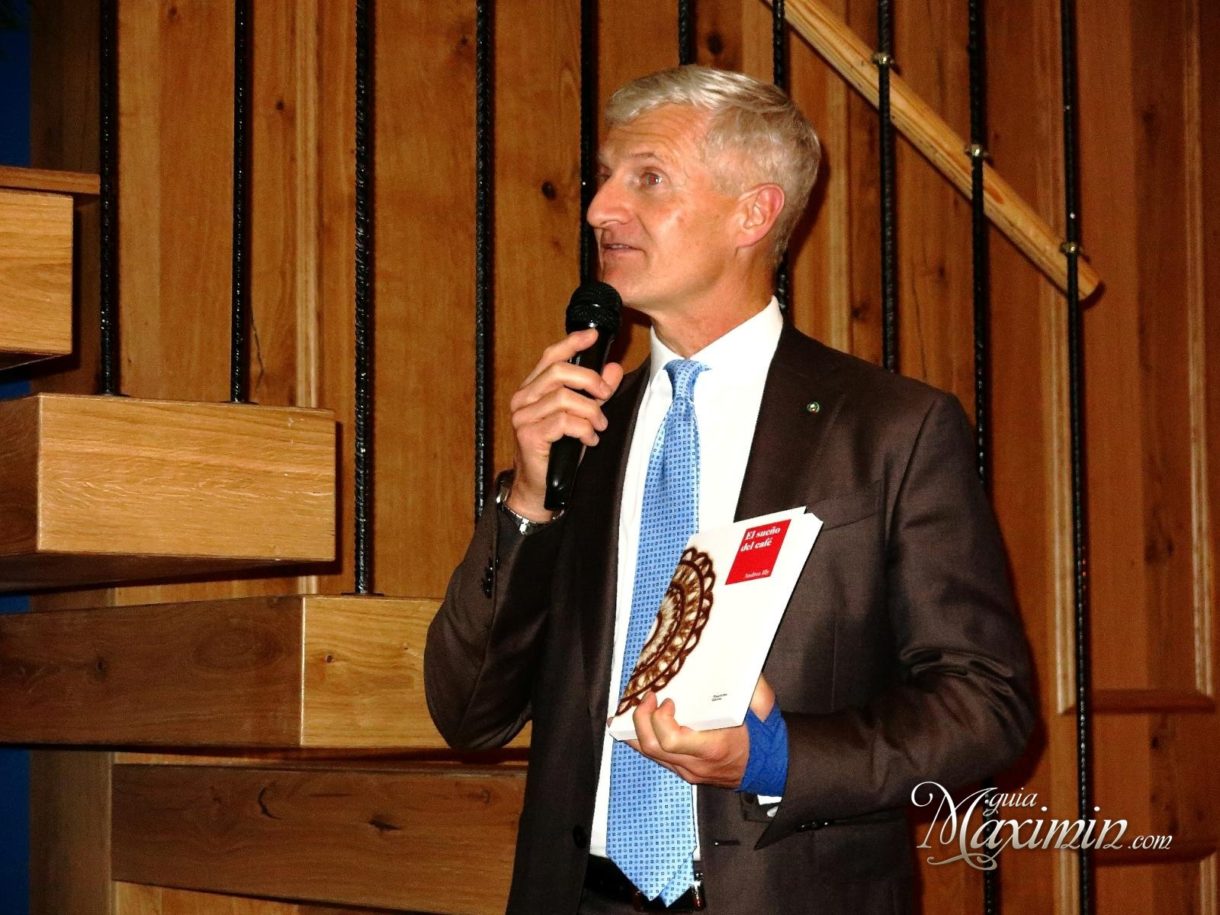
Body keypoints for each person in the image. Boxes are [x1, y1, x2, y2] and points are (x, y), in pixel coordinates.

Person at [425, 65, 1033, 914]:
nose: (599, 207)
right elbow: (468, 711)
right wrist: (528, 500)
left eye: (648, 178)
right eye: (604, 177)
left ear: (754, 213)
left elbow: (987, 704)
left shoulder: (890, 429)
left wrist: (778, 757)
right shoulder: (579, 435)